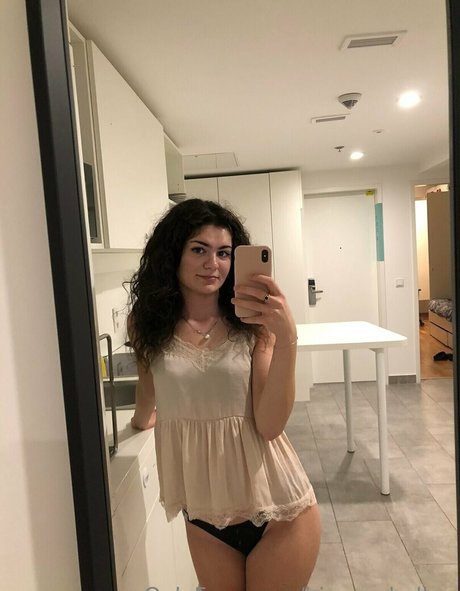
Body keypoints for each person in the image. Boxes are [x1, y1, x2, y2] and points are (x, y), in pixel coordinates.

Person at [128, 199, 320, 591]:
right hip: (205, 516)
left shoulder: (253, 326)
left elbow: (269, 425)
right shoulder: (146, 324)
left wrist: (287, 339)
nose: (212, 264)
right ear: (173, 253)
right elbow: (149, 386)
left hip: (278, 511)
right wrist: (139, 421)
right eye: (199, 249)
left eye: (224, 253)